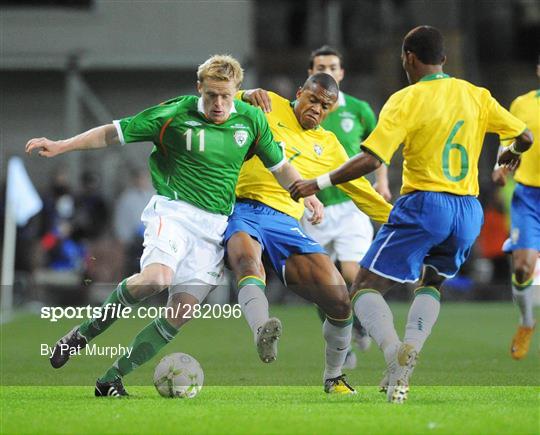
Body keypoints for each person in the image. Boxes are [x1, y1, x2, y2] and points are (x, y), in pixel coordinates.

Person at [26, 54, 318, 397]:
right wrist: (62, 145)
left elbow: (280, 166)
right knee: (156, 278)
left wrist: (306, 194)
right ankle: (83, 333)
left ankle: (110, 380)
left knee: (180, 312)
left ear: (237, 91)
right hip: (174, 212)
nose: (219, 104)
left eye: (226, 96)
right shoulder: (174, 114)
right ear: (199, 89)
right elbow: (113, 133)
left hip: (214, 227)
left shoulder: (252, 120)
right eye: (211, 95)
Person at [289, 26, 533, 403]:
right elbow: (524, 137)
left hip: (425, 204)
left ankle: (393, 354)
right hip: (468, 211)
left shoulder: (406, 99)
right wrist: (510, 155)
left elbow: (371, 159)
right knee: (431, 282)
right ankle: (411, 350)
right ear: (444, 61)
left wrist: (316, 183)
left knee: (363, 288)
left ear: (408, 58)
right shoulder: (476, 95)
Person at [226, 72, 392, 394]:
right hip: (241, 208)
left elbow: (361, 190)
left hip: (286, 223)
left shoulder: (328, 146)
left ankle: (334, 376)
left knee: (340, 300)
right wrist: (245, 95)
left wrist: (402, 222)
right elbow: (218, 103)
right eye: (312, 99)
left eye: (325, 105)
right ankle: (262, 329)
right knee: (248, 262)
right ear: (300, 92)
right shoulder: (269, 103)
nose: (316, 108)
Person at [492, 56, 540, 360]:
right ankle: (526, 322)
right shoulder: (522, 104)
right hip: (528, 195)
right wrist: (502, 164)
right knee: (522, 268)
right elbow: (508, 139)